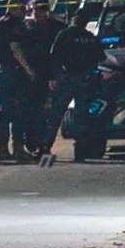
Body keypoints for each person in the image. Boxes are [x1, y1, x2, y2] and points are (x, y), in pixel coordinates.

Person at [42, 11, 106, 161]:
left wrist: (54, 76)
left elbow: (54, 56)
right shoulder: (89, 38)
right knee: (81, 116)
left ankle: (45, 147)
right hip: (84, 78)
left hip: (67, 78)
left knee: (56, 114)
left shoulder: (64, 35)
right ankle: (80, 152)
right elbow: (101, 57)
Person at [0, 0, 37, 163]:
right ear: (15, 9)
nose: (25, 13)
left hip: (3, 71)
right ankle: (18, 149)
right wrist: (29, 70)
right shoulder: (15, 25)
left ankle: (3, 148)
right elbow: (15, 48)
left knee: (4, 112)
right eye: (23, 9)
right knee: (18, 111)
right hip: (15, 73)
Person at [26, 0, 67, 156]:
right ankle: (32, 143)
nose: (40, 13)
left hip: (52, 74)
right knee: (33, 110)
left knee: (50, 112)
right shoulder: (28, 28)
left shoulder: (58, 28)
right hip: (33, 75)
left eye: (43, 10)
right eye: (37, 10)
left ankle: (44, 145)